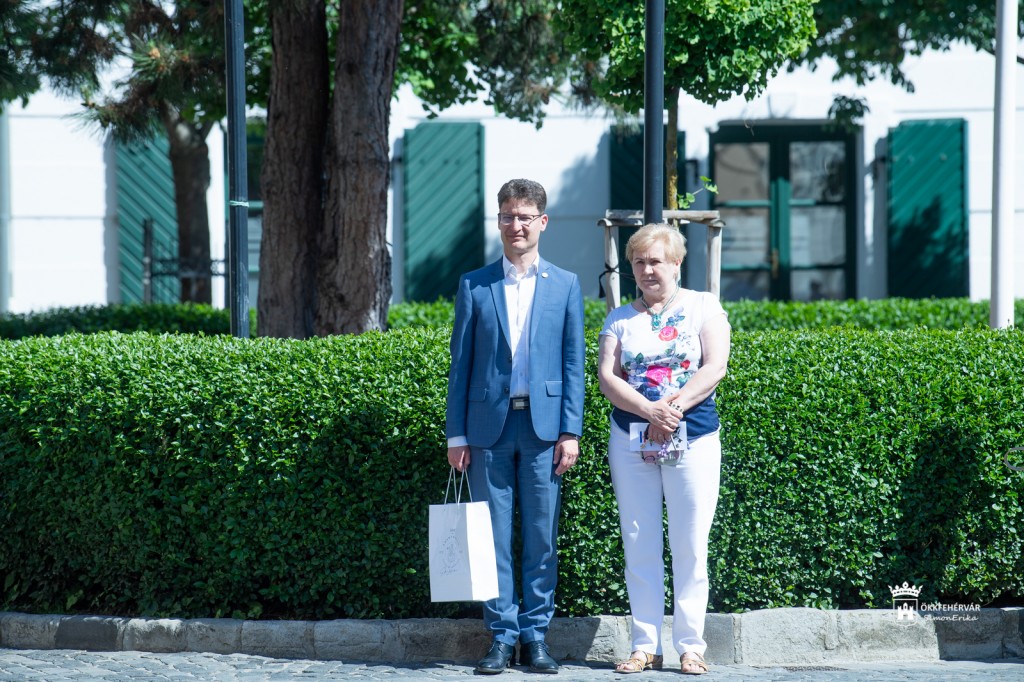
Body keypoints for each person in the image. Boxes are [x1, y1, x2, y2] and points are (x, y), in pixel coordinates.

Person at [446, 178, 585, 675]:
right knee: (492, 538)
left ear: (542, 222)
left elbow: (573, 363)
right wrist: (456, 434)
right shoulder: (475, 284)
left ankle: (536, 636)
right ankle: (502, 636)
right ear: (499, 221)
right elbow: (460, 364)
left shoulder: (565, 284)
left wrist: (571, 431)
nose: (516, 225)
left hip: (545, 430)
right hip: (488, 429)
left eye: (525, 217)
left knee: (542, 538)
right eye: (508, 216)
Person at [596, 223, 730, 676]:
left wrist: (669, 409)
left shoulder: (703, 306)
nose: (647, 270)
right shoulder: (619, 318)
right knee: (639, 543)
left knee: (690, 545)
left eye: (656, 261)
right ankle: (645, 646)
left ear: (676, 263)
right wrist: (647, 410)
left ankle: (691, 647)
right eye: (639, 262)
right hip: (631, 441)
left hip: (694, 438)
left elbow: (715, 366)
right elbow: (608, 377)